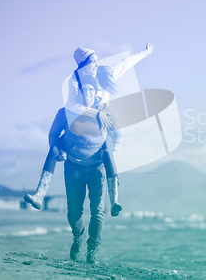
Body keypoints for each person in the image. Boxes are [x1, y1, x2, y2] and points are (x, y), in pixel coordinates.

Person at [24, 44, 154, 215]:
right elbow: (71, 105)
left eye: (96, 60)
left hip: (101, 125)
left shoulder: (104, 73)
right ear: (83, 63)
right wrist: (95, 112)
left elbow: (125, 64)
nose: (96, 64)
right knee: (54, 148)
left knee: (108, 151)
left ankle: (115, 201)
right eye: (92, 61)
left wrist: (144, 53)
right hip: (80, 122)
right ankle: (39, 196)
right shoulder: (74, 80)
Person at [51, 75, 123, 263]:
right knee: (74, 213)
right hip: (73, 167)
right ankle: (78, 237)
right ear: (78, 92)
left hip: (97, 169)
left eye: (91, 90)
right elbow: (53, 134)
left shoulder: (106, 111)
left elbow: (119, 133)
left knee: (98, 211)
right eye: (84, 90)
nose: (88, 94)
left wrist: (112, 153)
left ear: (96, 92)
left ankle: (92, 251)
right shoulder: (66, 112)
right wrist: (60, 154)